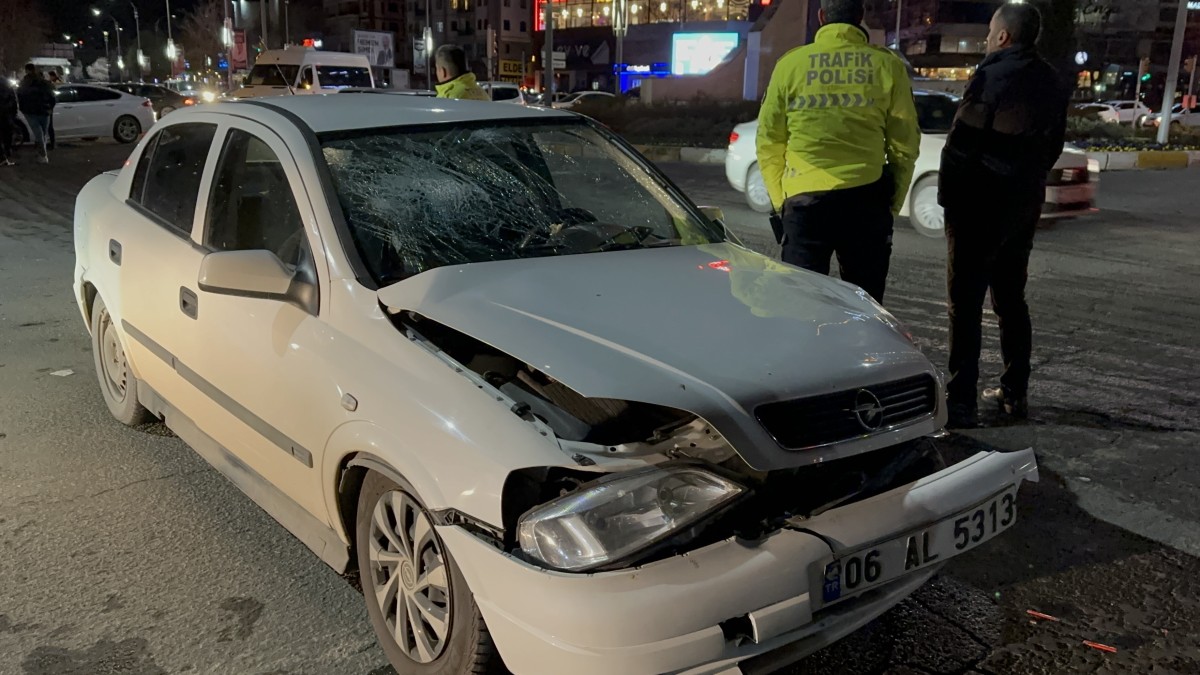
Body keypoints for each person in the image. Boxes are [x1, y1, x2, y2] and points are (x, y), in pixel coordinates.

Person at [939, 2, 1067, 428]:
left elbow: (962, 143)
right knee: (1011, 300)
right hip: (1022, 205)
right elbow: (1053, 144)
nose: (989, 37)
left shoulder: (990, 76)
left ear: (1004, 36)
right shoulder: (1050, 79)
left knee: (966, 304)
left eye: (992, 31)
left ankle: (960, 401)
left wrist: (949, 198)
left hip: (979, 206)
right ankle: (1015, 391)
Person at [756, 0, 920, 304]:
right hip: (866, 200)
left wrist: (782, 200)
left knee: (801, 307)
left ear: (821, 17)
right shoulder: (887, 66)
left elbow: (769, 140)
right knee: (865, 308)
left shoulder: (791, 65)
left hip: (805, 203)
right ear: (861, 17)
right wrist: (891, 205)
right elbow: (905, 145)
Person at [17, 64, 56, 164]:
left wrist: (22, 109)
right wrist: (50, 107)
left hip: (31, 111)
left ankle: (43, 155)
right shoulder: (44, 82)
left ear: (27, 71)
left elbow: (20, 96)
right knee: (43, 133)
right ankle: (42, 154)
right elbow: (52, 96)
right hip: (44, 110)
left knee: (39, 133)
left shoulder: (25, 83)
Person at [0, 78, 17, 166]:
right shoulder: (7, 86)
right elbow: (14, 101)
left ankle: (3, 157)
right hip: (7, 115)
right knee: (7, 134)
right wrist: (14, 115)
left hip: (5, 114)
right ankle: (6, 153)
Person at [45, 70, 61, 150]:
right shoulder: (50, 84)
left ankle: (52, 143)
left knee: (49, 127)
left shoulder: (55, 83)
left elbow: (54, 96)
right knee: (48, 127)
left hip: (49, 108)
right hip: (48, 108)